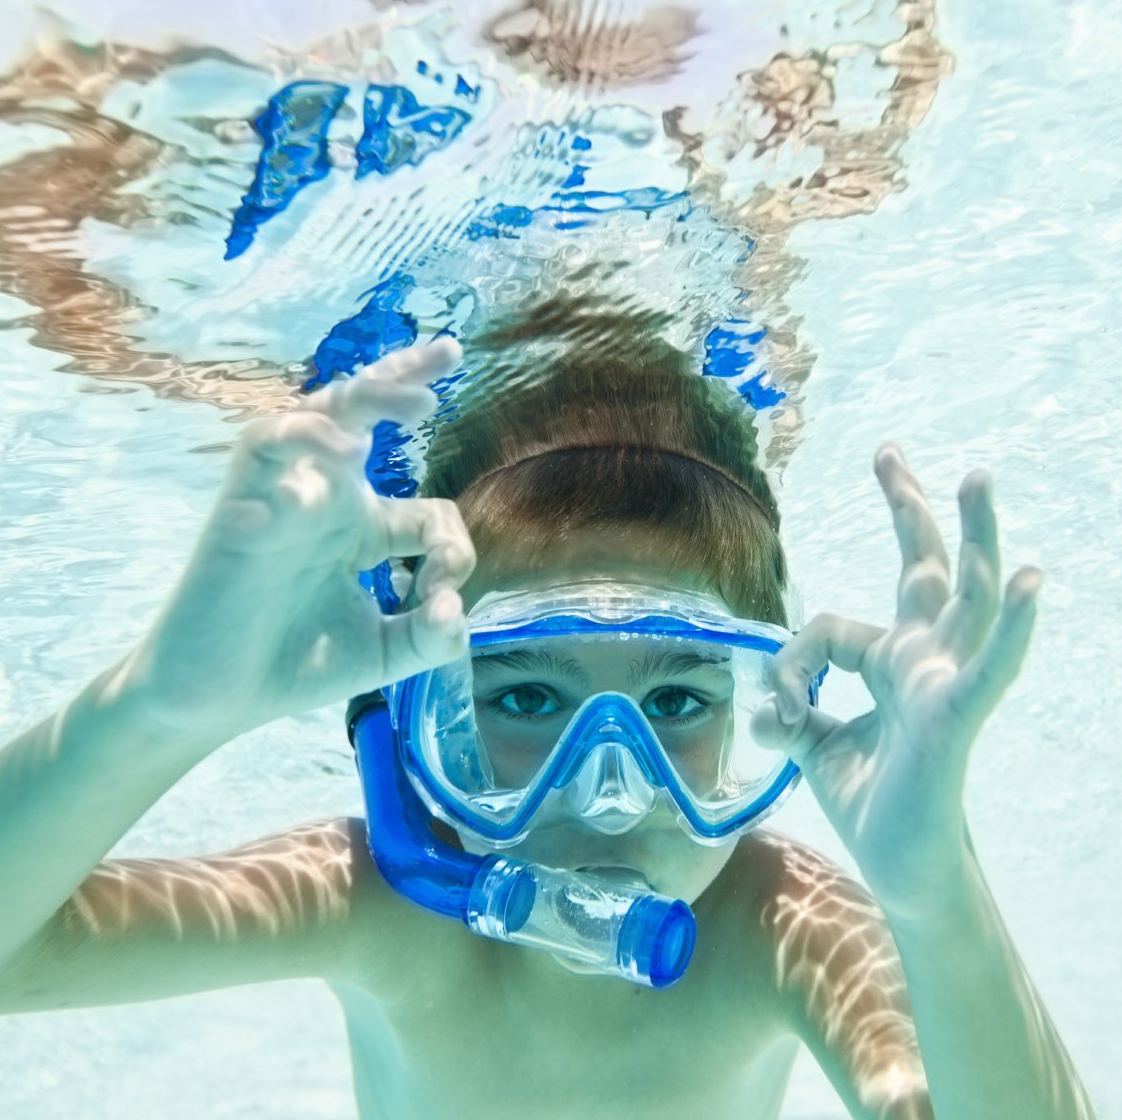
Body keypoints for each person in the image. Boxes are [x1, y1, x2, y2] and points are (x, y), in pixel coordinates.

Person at [0, 305, 1094, 1120]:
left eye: (676, 700)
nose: (611, 794)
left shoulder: (779, 927)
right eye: (527, 696)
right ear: (419, 713)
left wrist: (936, 889)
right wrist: (161, 707)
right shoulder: (379, 900)